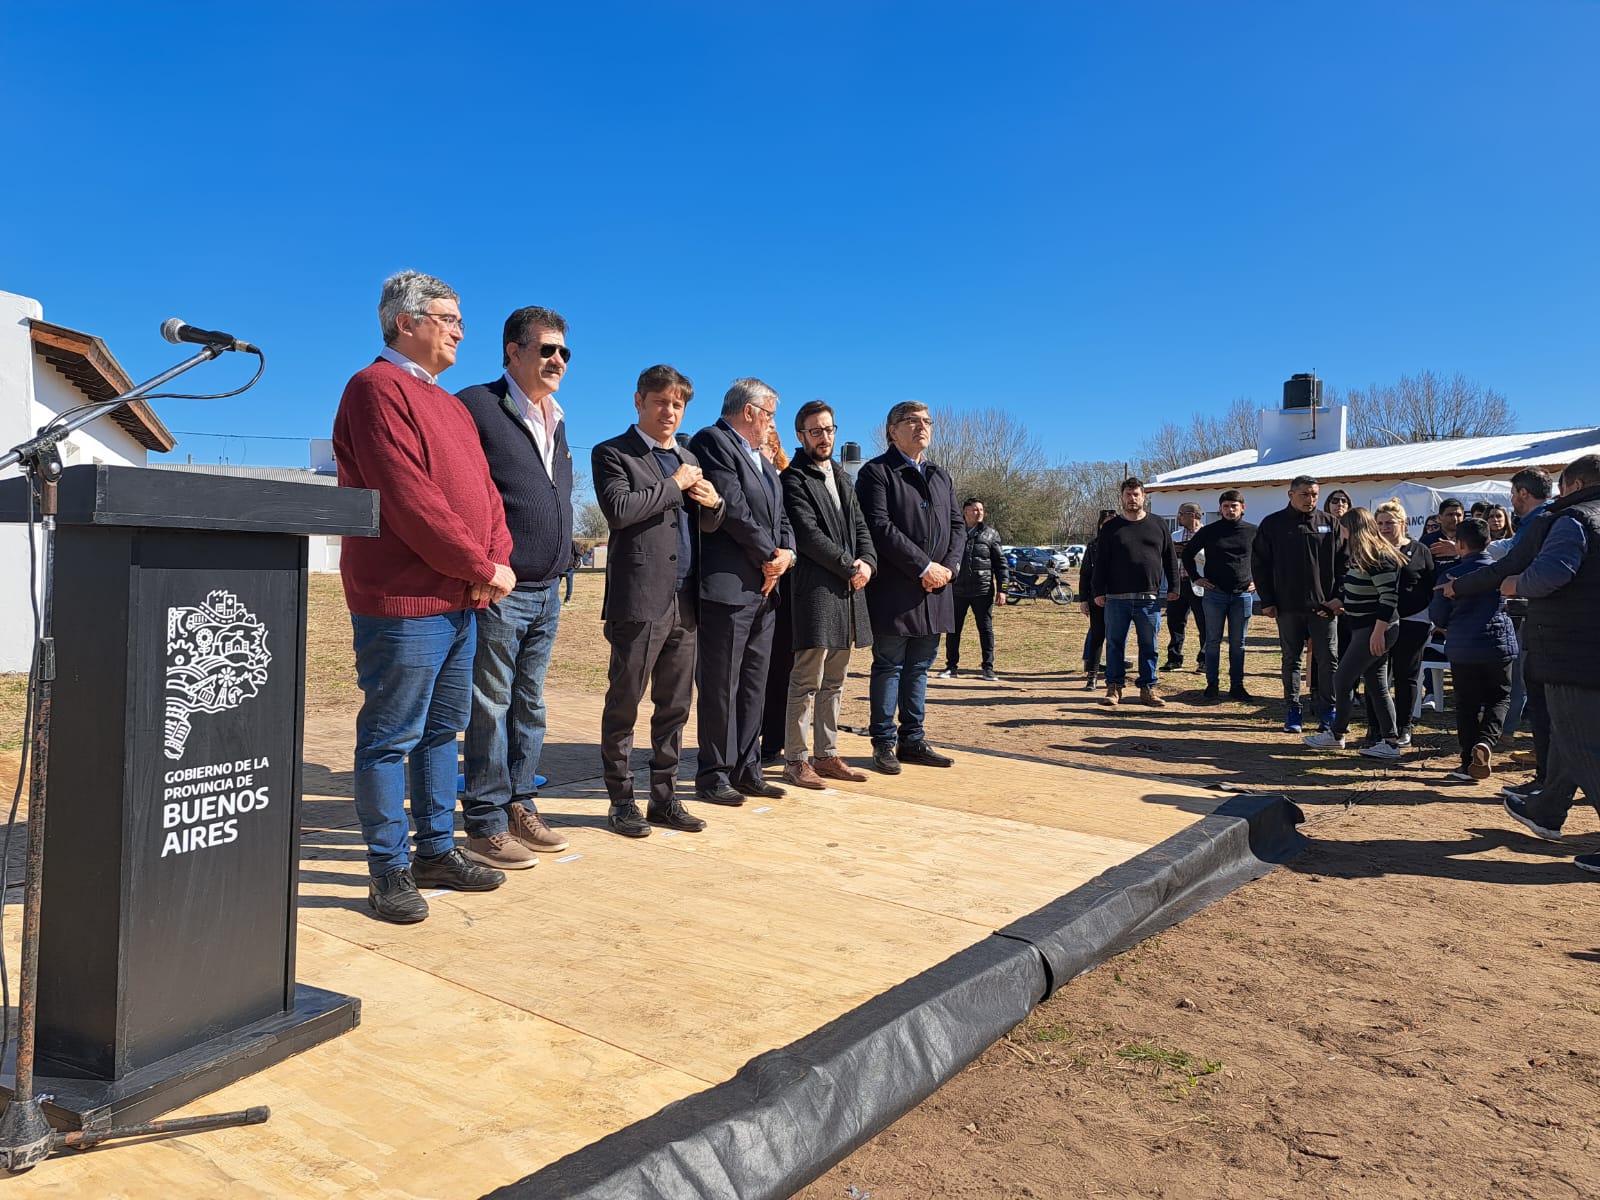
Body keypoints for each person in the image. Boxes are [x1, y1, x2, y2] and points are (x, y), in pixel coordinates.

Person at [332, 271, 514, 924]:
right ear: (404, 322)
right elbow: (408, 498)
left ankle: (436, 849)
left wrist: (496, 561)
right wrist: (477, 563)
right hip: (404, 601)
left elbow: (487, 493)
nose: (461, 329)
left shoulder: (452, 404)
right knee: (390, 738)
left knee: (443, 732)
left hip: (461, 598)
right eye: (447, 316)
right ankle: (388, 872)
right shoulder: (375, 388)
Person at [455, 305, 575, 872]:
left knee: (529, 704)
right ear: (512, 352)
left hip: (547, 589)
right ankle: (484, 821)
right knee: (490, 704)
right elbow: (462, 492)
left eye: (564, 353)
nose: (557, 360)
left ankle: (520, 803)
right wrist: (482, 564)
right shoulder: (477, 405)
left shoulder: (557, 416)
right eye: (546, 349)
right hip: (500, 589)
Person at [592, 365, 726, 838]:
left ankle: (665, 799)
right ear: (639, 402)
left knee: (675, 707)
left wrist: (713, 504)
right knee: (624, 704)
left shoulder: (687, 459)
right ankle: (621, 800)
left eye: (677, 405)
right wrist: (677, 485)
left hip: (686, 601)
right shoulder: (612, 453)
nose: (669, 412)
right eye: (660, 402)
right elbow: (621, 511)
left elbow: (702, 527)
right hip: (639, 601)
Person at [689, 379, 796, 804]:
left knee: (754, 682)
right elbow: (731, 507)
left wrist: (786, 554)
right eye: (769, 415)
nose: (772, 425)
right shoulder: (713, 442)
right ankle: (714, 772)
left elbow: (780, 514)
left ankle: (747, 766)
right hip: (729, 587)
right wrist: (768, 555)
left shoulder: (763, 459)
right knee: (721, 684)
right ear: (749, 411)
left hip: (765, 589)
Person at [1494, 454, 1600, 873]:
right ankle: (1548, 809)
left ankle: (1549, 808)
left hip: (1573, 650)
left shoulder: (1575, 520)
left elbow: (1550, 575)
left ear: (1572, 486)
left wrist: (1513, 584)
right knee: (1570, 736)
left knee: (1581, 743)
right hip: (1587, 646)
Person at [856, 401, 963, 773]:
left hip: (937, 591)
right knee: (889, 667)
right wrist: (923, 566)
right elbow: (880, 528)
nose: (922, 427)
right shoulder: (877, 473)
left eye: (927, 421)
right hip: (896, 591)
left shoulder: (940, 475)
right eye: (912, 421)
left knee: (920, 667)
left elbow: (958, 526)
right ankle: (883, 742)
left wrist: (948, 568)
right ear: (891, 430)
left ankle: (912, 739)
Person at [778, 400, 877, 789]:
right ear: (801, 436)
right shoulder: (794, 479)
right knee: (807, 680)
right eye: (816, 431)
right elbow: (807, 534)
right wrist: (849, 565)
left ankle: (827, 753)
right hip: (816, 593)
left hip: (848, 594)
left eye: (830, 429)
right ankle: (796, 759)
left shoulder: (842, 477)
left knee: (836, 680)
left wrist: (867, 561)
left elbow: (861, 527)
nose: (825, 437)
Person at [1301, 508, 1405, 760]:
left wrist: (1378, 632)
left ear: (1353, 528)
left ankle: (1337, 734)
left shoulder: (1378, 557)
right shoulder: (1360, 556)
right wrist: (1333, 606)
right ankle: (1390, 741)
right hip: (1364, 628)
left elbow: (1389, 598)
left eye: (1343, 527)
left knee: (1343, 679)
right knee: (1377, 684)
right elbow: (1355, 593)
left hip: (1374, 629)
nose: (1341, 533)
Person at [1252, 475, 1345, 734]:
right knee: (1291, 659)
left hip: (1324, 607)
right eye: (1305, 494)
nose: (1310, 499)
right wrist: (1267, 600)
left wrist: (1338, 598)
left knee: (1329, 659)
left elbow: (1344, 564)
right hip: (1287, 605)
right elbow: (1259, 564)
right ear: (1290, 494)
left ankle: (1328, 710)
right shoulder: (1273, 524)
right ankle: (1293, 709)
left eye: (1314, 494)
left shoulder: (1330, 524)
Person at [1428, 517, 1517, 783]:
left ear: (1459, 544)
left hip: (1463, 648)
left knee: (1466, 706)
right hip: (1498, 646)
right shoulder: (1501, 571)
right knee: (1499, 698)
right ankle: (1487, 742)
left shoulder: (1450, 575)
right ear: (1489, 541)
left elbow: (1438, 616)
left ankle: (1468, 761)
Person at [1091, 477, 1180, 708]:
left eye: (1136, 494)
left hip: (1149, 598)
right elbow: (1100, 562)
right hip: (1116, 598)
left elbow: (1170, 558)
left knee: (1149, 645)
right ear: (1122, 497)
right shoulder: (1111, 528)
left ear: (1144, 497)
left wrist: (1174, 587)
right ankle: (1114, 688)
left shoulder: (1158, 524)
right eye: (1128, 495)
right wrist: (1098, 591)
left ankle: (1148, 688)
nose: (1133, 499)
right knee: (1114, 644)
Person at [1369, 498, 1435, 747]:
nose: (1385, 527)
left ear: (1404, 523)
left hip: (1413, 620)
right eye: (1380, 523)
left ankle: (1404, 727)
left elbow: (1430, 584)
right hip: (1379, 623)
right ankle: (1377, 727)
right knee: (1377, 677)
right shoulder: (1372, 550)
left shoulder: (1420, 550)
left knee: (1406, 675)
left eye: (1390, 523)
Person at [1180, 489, 1256, 701]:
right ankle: (1212, 684)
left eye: (1234, 506)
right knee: (1212, 641)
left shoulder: (1253, 532)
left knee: (1238, 643)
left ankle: (1237, 686)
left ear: (1243, 508)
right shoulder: (1209, 531)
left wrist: (1258, 582)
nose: (1230, 510)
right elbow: (1187, 553)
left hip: (1242, 596)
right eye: (1226, 506)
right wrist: (1196, 577)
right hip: (1215, 595)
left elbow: (1267, 559)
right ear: (1220, 509)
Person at [939, 498, 1008, 681]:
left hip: (982, 591)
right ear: (965, 512)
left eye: (981, 510)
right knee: (953, 630)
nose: (979, 513)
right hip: (957, 590)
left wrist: (1003, 589)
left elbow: (1001, 565)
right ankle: (951, 667)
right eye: (975, 509)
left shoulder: (990, 534)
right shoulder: (955, 532)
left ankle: (988, 668)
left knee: (985, 630)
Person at [757, 428, 794, 762]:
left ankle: (773, 740)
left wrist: (785, 557)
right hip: (756, 581)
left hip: (789, 587)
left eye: (769, 444)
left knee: (781, 669)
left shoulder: (786, 479)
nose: (764, 449)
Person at [1164, 502, 1208, 673]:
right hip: (1179, 583)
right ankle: (1174, 659)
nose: (1178, 517)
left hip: (1199, 583)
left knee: (1204, 623)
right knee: (1175, 622)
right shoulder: (1175, 535)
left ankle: (1204, 660)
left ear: (1192, 515)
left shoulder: (1207, 535)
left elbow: (1210, 559)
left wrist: (1190, 552)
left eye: (1181, 514)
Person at [1076, 509, 1116, 690]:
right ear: (1100, 525)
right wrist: (1083, 599)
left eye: (1112, 523)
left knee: (1116, 638)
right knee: (1097, 636)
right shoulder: (1093, 546)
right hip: (1097, 598)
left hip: (1119, 598)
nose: (1109, 527)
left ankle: (1114, 677)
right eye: (1105, 523)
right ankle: (1092, 676)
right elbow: (1085, 574)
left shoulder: (1124, 544)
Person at [1422, 498, 1465, 568]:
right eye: (1450, 515)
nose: (1455, 519)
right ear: (1439, 517)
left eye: (1458, 515)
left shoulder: (1470, 539)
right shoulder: (1428, 540)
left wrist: (1458, 552)